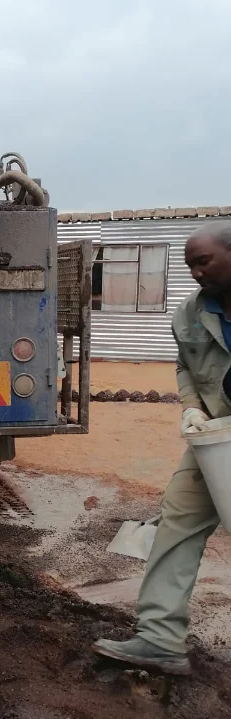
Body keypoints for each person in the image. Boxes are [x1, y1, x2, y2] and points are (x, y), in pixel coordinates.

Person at [93, 223, 231, 675]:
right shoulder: (190, 313)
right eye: (190, 265)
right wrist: (192, 407)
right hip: (214, 438)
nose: (195, 272)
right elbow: (185, 366)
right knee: (178, 521)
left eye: (203, 261)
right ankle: (160, 638)